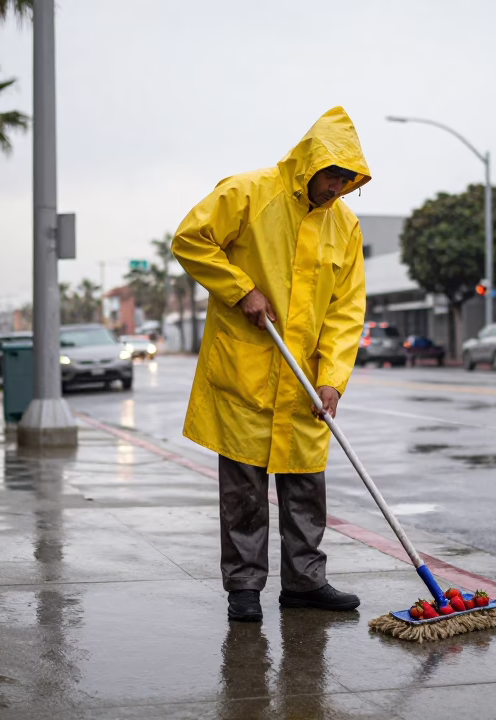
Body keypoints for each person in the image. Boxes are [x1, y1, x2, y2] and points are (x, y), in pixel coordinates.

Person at [172, 107, 369, 623]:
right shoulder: (250, 192)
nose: (336, 190)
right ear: (311, 163)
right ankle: (243, 589)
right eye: (332, 177)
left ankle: (305, 583)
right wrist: (242, 291)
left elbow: (346, 310)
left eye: (347, 183)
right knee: (245, 490)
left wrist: (332, 381)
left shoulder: (345, 227)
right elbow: (190, 240)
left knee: (306, 484)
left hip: (303, 379)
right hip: (248, 372)